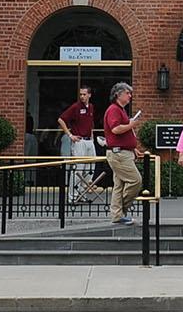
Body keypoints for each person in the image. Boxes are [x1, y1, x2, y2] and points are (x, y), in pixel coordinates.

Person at [101, 83, 143, 225]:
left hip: (122, 152)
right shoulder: (114, 110)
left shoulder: (120, 110)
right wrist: (132, 124)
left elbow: (121, 133)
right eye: (127, 93)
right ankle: (121, 209)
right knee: (135, 180)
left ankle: (117, 215)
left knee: (119, 186)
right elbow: (116, 129)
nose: (130, 95)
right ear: (118, 95)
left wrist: (132, 148)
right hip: (118, 154)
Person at [57, 86, 98, 201]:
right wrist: (70, 135)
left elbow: (90, 124)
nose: (82, 96)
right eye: (81, 94)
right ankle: (72, 196)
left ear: (89, 95)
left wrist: (92, 137)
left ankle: (81, 193)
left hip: (89, 141)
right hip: (79, 141)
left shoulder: (91, 107)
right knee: (78, 169)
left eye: (84, 94)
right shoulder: (76, 107)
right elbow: (61, 119)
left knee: (90, 168)